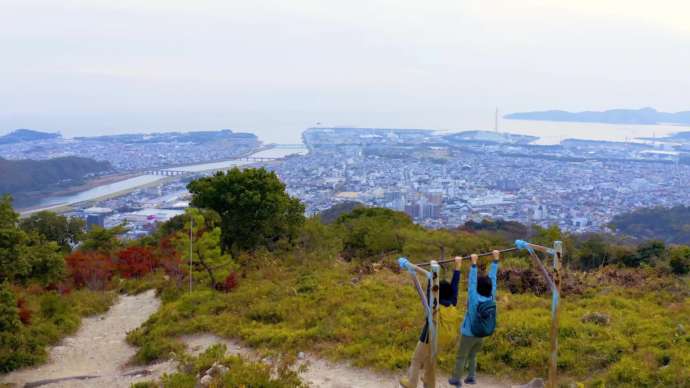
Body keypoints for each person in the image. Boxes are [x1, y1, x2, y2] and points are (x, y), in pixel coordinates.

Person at [400, 256, 463, 388]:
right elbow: (455, 286)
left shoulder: (435, 306)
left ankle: (411, 382)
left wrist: (432, 270)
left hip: (429, 336)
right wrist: (458, 268)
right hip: (443, 339)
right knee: (431, 360)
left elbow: (431, 289)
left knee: (417, 359)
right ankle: (429, 383)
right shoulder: (453, 303)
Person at [449, 250, 500, 387]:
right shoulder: (491, 297)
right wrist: (495, 261)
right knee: (473, 355)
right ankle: (471, 377)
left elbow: (472, 283)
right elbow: (493, 280)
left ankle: (456, 379)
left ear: (477, 288)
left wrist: (473, 264)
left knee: (461, 356)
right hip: (482, 332)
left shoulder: (474, 299)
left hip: (468, 333)